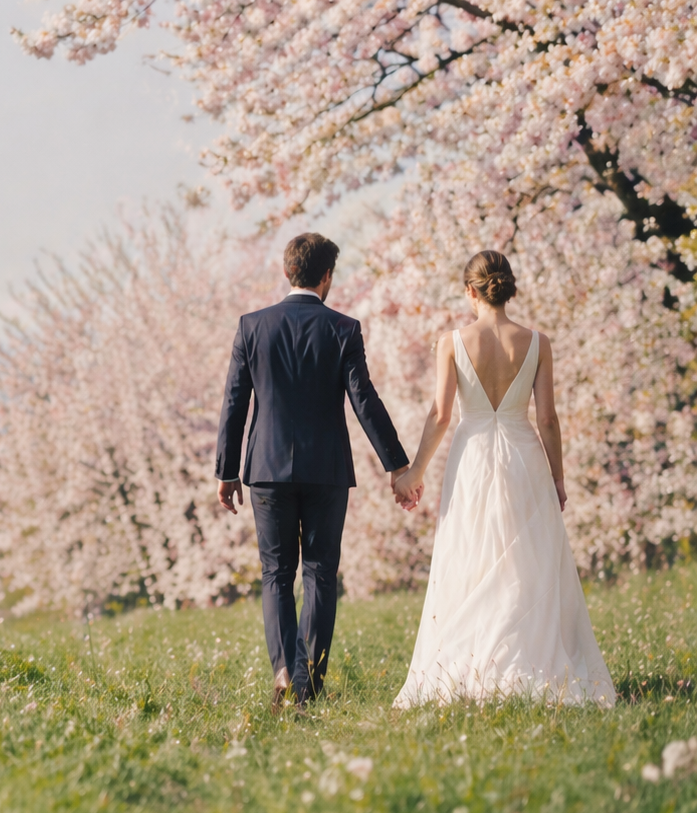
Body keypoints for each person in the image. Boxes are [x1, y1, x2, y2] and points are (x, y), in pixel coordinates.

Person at [390, 251, 614, 706]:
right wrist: (558, 478)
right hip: (524, 457)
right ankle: (530, 662)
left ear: (471, 292)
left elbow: (440, 413)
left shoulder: (452, 341)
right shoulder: (537, 342)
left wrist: (415, 472)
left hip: (471, 457)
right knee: (526, 562)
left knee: (470, 554)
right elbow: (547, 418)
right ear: (508, 287)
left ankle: (472, 666)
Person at [215, 233, 414, 713]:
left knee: (276, 574)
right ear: (326, 276)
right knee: (321, 573)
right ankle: (309, 684)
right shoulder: (343, 329)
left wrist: (226, 471)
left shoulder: (252, 326)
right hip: (326, 470)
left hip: (265, 469)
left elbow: (234, 403)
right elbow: (364, 399)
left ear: (288, 272)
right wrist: (397, 464)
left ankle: (285, 671)